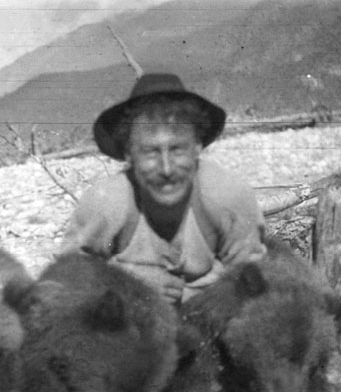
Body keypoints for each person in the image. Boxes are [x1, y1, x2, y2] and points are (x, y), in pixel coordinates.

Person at [59, 73, 267, 304]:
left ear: (197, 146)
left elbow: (253, 285)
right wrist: (126, 283)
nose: (166, 169)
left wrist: (194, 296)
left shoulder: (227, 196)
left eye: (177, 149)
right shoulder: (107, 202)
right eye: (150, 152)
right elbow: (65, 278)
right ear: (129, 154)